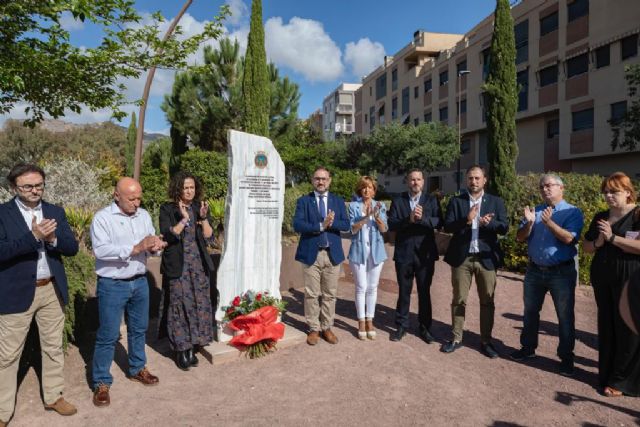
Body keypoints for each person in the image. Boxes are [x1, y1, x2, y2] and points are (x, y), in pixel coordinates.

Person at [0, 163, 79, 425]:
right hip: (16, 293)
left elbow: (72, 248)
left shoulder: (55, 211)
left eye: (39, 185)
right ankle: (2, 411)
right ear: (14, 187)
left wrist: (54, 238)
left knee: (53, 347)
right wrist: (34, 237)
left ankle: (54, 396)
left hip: (51, 290)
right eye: (28, 186)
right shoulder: (3, 214)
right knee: (8, 355)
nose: (35, 190)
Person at [90, 177, 167, 407]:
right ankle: (101, 382)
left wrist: (155, 247)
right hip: (112, 284)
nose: (136, 202)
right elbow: (101, 250)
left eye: (139, 197)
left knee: (138, 330)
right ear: (117, 196)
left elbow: (150, 246)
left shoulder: (143, 215)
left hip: (140, 281)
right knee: (108, 335)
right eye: (131, 198)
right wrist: (137, 247)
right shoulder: (103, 218)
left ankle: (137, 368)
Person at [510, 174, 584, 377]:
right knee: (530, 312)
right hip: (534, 271)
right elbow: (519, 237)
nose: (544, 189)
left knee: (565, 316)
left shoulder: (572, 212)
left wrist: (549, 223)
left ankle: (566, 358)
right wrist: (530, 224)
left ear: (562, 188)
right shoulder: (535, 210)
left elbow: (570, 239)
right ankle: (528, 349)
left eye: (549, 185)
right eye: (542, 186)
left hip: (561, 272)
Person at [441, 166, 508, 358]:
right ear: (466, 181)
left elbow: (504, 227)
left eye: (477, 178)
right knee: (459, 299)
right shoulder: (457, 201)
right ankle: (456, 338)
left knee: (487, 301)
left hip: (486, 258)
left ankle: (486, 341)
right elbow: (448, 226)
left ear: (484, 180)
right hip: (462, 258)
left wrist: (490, 224)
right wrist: (467, 220)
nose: (474, 182)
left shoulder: (495, 202)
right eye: (470, 178)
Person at [583, 172, 640, 397]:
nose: (608, 196)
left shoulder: (637, 215)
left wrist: (613, 238)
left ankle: (623, 381)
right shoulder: (601, 216)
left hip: (631, 279)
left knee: (628, 329)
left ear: (627, 192)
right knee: (607, 326)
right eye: (605, 192)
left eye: (613, 191)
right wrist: (599, 240)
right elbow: (587, 247)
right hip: (603, 278)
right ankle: (607, 374)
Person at [158, 172, 215, 371]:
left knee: (199, 304)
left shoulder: (200, 207)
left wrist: (204, 218)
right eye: (185, 187)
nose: (189, 191)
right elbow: (168, 236)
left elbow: (209, 237)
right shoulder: (167, 209)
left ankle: (195, 343)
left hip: (198, 266)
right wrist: (183, 220)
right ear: (178, 189)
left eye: (192, 187)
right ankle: (181, 348)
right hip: (178, 266)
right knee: (179, 305)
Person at [293, 167, 349, 345]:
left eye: (324, 179)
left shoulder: (338, 201)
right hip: (312, 254)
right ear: (312, 180)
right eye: (317, 178)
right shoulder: (304, 201)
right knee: (311, 294)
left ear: (329, 180)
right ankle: (313, 328)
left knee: (330, 294)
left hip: (333, 254)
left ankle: (327, 327)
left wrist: (330, 224)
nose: (321, 182)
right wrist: (319, 226)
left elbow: (346, 224)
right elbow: (297, 224)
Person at [388, 169, 442, 342]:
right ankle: (402, 325)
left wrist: (422, 219)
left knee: (424, 291)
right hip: (404, 253)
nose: (415, 183)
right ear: (407, 182)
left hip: (425, 254)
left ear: (423, 182)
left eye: (418, 179)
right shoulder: (398, 200)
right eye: (412, 180)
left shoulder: (432, 200)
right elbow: (392, 224)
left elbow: (439, 222)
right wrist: (409, 219)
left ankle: (425, 327)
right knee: (404, 291)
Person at [347, 176, 388, 340]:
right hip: (358, 251)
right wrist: (366, 216)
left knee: (372, 287)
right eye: (364, 187)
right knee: (361, 287)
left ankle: (370, 320)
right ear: (360, 190)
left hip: (376, 252)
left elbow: (384, 229)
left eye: (370, 187)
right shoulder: (354, 206)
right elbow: (352, 229)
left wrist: (377, 217)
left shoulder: (381, 205)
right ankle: (361, 321)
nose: (367, 190)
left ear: (374, 190)